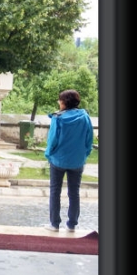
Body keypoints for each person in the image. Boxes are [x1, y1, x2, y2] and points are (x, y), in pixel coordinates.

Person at [43, 89, 94, 232]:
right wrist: (85, 154)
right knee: (74, 192)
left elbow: (52, 139)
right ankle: (72, 224)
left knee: (55, 191)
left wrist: (48, 154)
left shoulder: (58, 118)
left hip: (58, 159)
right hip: (77, 160)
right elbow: (89, 138)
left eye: (60, 100)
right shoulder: (85, 117)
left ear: (64, 102)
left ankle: (54, 224)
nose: (58, 102)